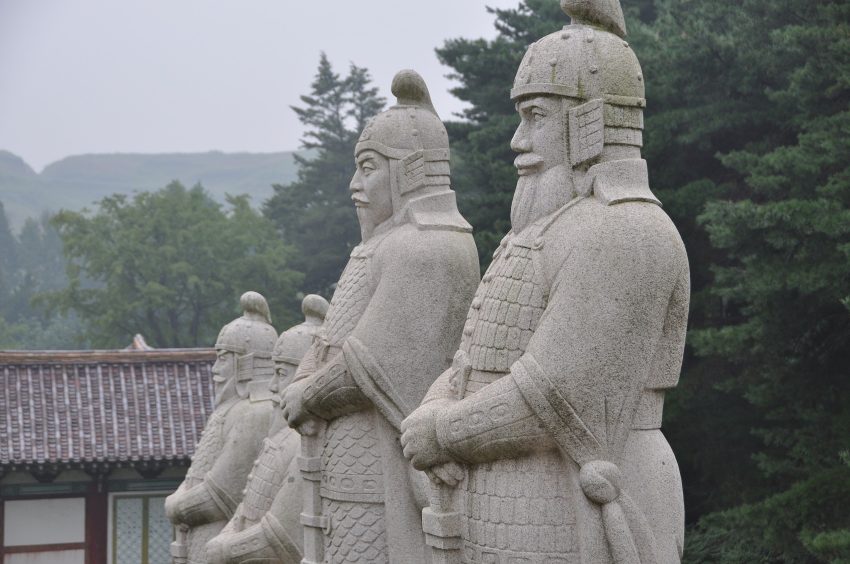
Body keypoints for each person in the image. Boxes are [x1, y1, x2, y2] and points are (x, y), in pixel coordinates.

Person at [400, 1, 689, 561]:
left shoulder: (626, 229)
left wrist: (440, 434)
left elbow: (552, 395)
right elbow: (472, 362)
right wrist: (435, 405)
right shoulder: (545, 230)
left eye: (534, 116)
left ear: (588, 122)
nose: (516, 139)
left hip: (582, 507)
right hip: (514, 506)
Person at [279, 69, 480, 563]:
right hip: (348, 461)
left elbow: (368, 363)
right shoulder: (387, 244)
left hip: (383, 465)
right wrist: (305, 376)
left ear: (410, 170)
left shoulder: (429, 245)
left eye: (368, 167)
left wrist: (306, 393)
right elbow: (331, 343)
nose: (354, 185)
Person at [205, 294, 329, 563]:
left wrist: (224, 549)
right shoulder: (281, 439)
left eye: (282, 375)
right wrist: (226, 537)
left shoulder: (303, 445)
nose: (272, 385)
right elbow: (244, 510)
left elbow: (278, 534)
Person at [166, 292, 278, 564]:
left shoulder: (256, 413)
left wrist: (174, 505)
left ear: (246, 363)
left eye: (223, 358)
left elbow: (218, 496)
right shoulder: (234, 410)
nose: (216, 368)